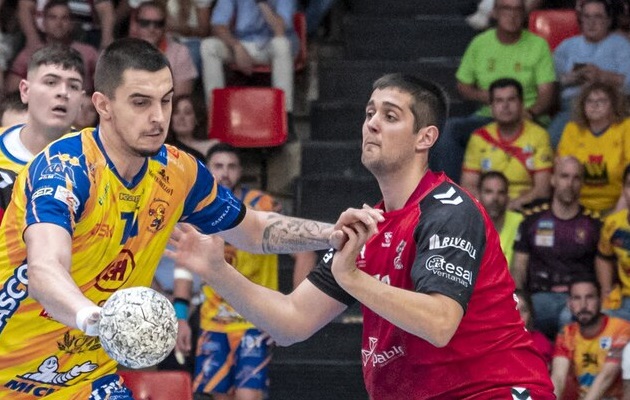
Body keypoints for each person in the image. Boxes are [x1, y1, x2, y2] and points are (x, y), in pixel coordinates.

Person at [0, 38, 379, 399]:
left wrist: (331, 233)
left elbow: (254, 230)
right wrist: (97, 319)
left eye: (165, 101)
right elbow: (45, 270)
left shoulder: (178, 172)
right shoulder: (64, 166)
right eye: (140, 102)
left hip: (83, 379)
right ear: (103, 104)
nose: (157, 117)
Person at [166, 73, 555, 399]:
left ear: (426, 137)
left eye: (390, 115)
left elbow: (439, 322)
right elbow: (290, 322)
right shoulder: (371, 227)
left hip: (497, 390)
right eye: (370, 112)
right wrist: (216, 270)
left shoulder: (450, 209)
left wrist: (351, 277)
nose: (371, 123)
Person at [174, 143, 317, 399]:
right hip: (213, 322)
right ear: (207, 170)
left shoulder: (263, 206)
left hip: (255, 320)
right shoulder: (197, 208)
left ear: (241, 171)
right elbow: (184, 263)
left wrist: (294, 308)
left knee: (248, 396)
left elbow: (305, 253)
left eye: (232, 166)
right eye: (218, 166)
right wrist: (181, 316)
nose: (225, 173)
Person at [430, 0, 556, 183]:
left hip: (528, 118)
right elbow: (463, 86)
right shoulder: (480, 43)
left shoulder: (538, 45)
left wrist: (530, 112)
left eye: (517, 10)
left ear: (525, 14)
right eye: (506, 9)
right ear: (495, 12)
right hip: (487, 116)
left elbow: (547, 92)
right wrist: (490, 98)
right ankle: (452, 195)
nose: (512, 15)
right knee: (447, 130)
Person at [512, 156, 602, 340]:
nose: (570, 183)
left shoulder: (594, 224)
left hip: (577, 301)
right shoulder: (532, 219)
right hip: (538, 298)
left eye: (576, 178)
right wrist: (520, 303)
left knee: (570, 317)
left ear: (583, 183)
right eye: (564, 176)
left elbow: (602, 272)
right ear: (553, 179)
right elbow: (518, 268)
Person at [0, 44, 84, 222]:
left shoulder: (98, 159)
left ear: (81, 100)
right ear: (25, 91)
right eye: (51, 82)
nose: (63, 93)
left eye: (73, 86)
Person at [461, 78, 554, 211]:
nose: (505, 106)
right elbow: (468, 185)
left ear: (522, 104)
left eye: (511, 99)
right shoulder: (479, 137)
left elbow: (542, 190)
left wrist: (509, 207)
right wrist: (491, 206)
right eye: (499, 101)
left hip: (525, 209)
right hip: (488, 209)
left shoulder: (539, 135)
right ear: (491, 107)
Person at [548, 0, 630, 148]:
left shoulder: (621, 45)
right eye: (587, 17)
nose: (591, 22)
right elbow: (549, 83)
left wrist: (602, 76)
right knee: (549, 143)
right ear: (581, 19)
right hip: (572, 107)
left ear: (608, 20)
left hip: (612, 108)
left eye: (598, 17)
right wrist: (571, 78)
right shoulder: (567, 46)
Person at [200, 0, 298, 113]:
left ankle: (285, 114)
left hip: (270, 45)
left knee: (281, 45)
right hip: (242, 43)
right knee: (208, 46)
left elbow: (279, 31)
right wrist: (236, 46)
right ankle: (216, 113)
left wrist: (262, 3)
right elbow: (217, 25)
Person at [557, 81, 630, 214]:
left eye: (601, 101)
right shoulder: (572, 129)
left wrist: (614, 218)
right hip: (577, 206)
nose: (594, 105)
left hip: (619, 205)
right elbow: (563, 173)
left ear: (613, 105)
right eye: (589, 101)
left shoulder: (626, 128)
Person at [551, 277, 630, 399]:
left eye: (590, 297)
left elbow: (607, 376)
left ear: (601, 300)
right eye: (577, 298)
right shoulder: (567, 332)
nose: (583, 305)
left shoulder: (621, 328)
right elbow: (558, 378)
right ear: (569, 303)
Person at [5, 0, 99, 93]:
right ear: (43, 23)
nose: (59, 23)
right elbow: (11, 89)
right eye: (53, 18)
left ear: (71, 24)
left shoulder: (89, 53)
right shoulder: (30, 54)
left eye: (64, 18)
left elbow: (104, 84)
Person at [129, 1, 198, 96]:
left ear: (165, 26)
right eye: (145, 23)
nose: (151, 29)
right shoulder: (120, 53)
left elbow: (181, 99)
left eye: (158, 24)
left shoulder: (180, 52)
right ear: (135, 25)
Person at [596, 164, 630, 322]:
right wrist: (606, 290)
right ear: (623, 190)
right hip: (624, 301)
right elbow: (604, 257)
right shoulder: (613, 224)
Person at [17, 0, 115, 51]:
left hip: (87, 35)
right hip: (42, 35)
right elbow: (24, 8)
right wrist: (33, 39)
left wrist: (106, 40)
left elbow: (105, 9)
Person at [476, 171, 523, 268]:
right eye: (489, 192)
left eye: (501, 193)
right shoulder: (468, 224)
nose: (495, 198)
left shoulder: (520, 222)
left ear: (508, 197)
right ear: (478, 196)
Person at [166, 93, 217, 161]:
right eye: (176, 112)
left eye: (187, 112)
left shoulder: (212, 146)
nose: (181, 117)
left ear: (197, 119)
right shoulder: (162, 149)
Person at [515, 289, 553, 366]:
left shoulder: (540, 342)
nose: (518, 315)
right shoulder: (493, 343)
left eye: (524, 310)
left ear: (530, 314)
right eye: (513, 309)